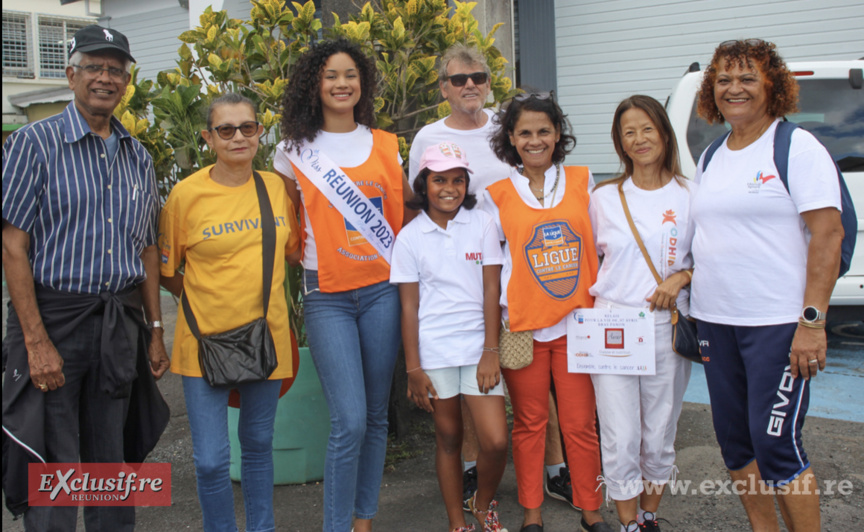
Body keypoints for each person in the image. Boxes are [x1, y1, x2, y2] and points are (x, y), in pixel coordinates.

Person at [1, 24, 170, 530]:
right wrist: (36, 342)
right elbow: (13, 245)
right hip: (55, 319)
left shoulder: (138, 158)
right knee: (52, 466)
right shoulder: (33, 143)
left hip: (119, 323)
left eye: (115, 70)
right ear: (71, 75)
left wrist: (156, 332)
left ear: (126, 82)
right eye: (94, 67)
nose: (105, 78)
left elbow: (146, 250)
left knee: (110, 463)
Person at [410, 43, 574, 512]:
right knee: (470, 375)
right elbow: (420, 202)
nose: (469, 86)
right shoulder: (427, 137)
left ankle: (554, 468)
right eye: (459, 79)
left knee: (531, 373)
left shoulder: (509, 125)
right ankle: (471, 467)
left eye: (478, 78)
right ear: (443, 88)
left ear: (488, 83)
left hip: (522, 266)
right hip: (461, 271)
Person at [690, 39, 844, 531]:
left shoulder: (795, 146)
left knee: (776, 445)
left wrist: (812, 323)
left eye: (747, 77)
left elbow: (829, 234)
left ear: (771, 84)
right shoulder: (713, 154)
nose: (734, 88)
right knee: (735, 442)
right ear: (712, 90)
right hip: (717, 321)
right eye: (723, 80)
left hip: (777, 325)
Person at [273, 38, 414, 532]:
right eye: (331, 75)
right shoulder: (292, 152)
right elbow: (286, 226)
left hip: (381, 291)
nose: (341, 84)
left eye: (350, 74)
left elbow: (403, 218)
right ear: (315, 83)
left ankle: (363, 521)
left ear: (362, 82)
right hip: (326, 294)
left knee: (376, 417)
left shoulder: (386, 143)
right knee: (349, 420)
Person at [158, 93, 301, 532]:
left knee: (258, 446)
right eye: (226, 129)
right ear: (208, 138)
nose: (238, 137)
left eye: (248, 127)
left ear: (260, 132)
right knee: (211, 462)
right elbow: (166, 270)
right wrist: (203, 302)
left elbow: (294, 255)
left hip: (267, 337)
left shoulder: (275, 188)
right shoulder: (186, 196)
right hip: (202, 346)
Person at [484, 92, 611, 532]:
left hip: (579, 326)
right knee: (530, 425)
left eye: (543, 131)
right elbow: (491, 267)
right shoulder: (496, 195)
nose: (535, 140)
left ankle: (591, 511)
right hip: (524, 327)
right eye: (525, 133)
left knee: (580, 425)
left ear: (558, 134)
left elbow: (605, 245)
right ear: (511, 139)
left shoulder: (583, 180)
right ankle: (532, 514)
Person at [588, 95, 695, 532]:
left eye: (647, 129)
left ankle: (649, 516)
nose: (640, 139)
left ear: (664, 133)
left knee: (659, 433)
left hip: (664, 327)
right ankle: (629, 523)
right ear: (620, 142)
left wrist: (682, 276)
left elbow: (714, 257)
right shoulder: (602, 198)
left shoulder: (691, 195)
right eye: (629, 132)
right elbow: (585, 261)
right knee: (620, 435)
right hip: (612, 322)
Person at [392, 141, 509, 532]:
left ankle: (481, 502)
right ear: (423, 184)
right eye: (439, 179)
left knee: (494, 441)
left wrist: (491, 350)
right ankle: (457, 523)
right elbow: (408, 307)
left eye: (458, 180)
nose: (450, 188)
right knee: (448, 436)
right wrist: (413, 368)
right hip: (436, 352)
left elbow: (492, 290)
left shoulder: (483, 223)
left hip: (479, 350)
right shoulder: (409, 237)